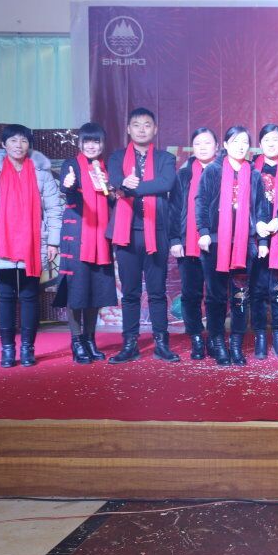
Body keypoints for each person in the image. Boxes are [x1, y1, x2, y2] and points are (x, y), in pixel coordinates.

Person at [0, 124, 62, 367]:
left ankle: (28, 348)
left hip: (34, 242)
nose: (18, 145)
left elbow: (54, 209)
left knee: (30, 296)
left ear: (29, 144)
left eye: (23, 140)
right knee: (6, 296)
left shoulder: (41, 172)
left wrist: (54, 241)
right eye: (13, 140)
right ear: (3, 144)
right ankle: (8, 350)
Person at [106, 108, 179, 363]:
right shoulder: (116, 157)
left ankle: (162, 344)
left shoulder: (165, 158)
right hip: (126, 233)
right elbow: (116, 181)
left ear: (155, 129)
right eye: (136, 125)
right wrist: (125, 186)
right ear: (128, 129)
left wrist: (130, 189)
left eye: (147, 125)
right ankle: (130, 344)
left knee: (157, 292)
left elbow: (166, 183)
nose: (141, 129)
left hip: (156, 232)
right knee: (130, 293)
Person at [195, 126, 269, 365]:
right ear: (225, 145)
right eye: (235, 141)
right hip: (216, 242)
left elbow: (261, 210)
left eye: (244, 142)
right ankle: (218, 343)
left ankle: (236, 345)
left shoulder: (254, 174)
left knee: (240, 296)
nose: (240, 146)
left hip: (244, 244)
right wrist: (203, 232)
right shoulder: (213, 170)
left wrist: (263, 241)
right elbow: (201, 202)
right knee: (215, 297)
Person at [55, 122, 117, 364]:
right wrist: (69, 183)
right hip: (78, 234)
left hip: (101, 235)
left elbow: (112, 201)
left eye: (96, 141)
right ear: (80, 143)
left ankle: (90, 339)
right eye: (87, 141)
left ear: (102, 144)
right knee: (77, 287)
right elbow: (66, 188)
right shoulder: (71, 164)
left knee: (96, 288)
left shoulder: (106, 168)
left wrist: (111, 191)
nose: (91, 146)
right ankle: (77, 340)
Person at [168, 127, 219, 361]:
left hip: (217, 243)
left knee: (216, 294)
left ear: (217, 146)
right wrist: (175, 239)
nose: (202, 147)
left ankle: (216, 338)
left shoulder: (225, 172)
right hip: (188, 242)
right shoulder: (184, 174)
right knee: (190, 294)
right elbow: (174, 209)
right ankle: (197, 338)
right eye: (198, 143)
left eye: (207, 143)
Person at [248, 124, 278, 359]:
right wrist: (256, 224)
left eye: (276, 139)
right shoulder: (249, 167)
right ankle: (259, 337)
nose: (271, 143)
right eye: (266, 139)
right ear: (260, 143)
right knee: (256, 290)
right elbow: (242, 202)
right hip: (254, 236)